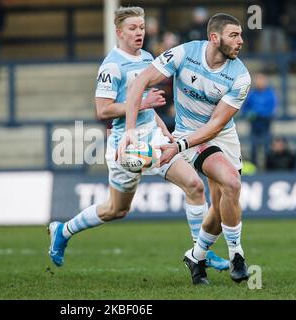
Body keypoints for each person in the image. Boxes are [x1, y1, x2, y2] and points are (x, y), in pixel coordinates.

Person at [48, 6, 228, 272]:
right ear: (119, 32)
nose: (139, 33)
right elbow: (103, 110)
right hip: (126, 143)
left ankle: (200, 252)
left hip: (153, 139)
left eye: (142, 28)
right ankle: (63, 230)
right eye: (132, 28)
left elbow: (146, 102)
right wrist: (145, 104)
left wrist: (161, 127)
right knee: (116, 210)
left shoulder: (147, 58)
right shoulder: (111, 66)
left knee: (195, 186)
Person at [122, 13, 252, 285]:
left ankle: (196, 255)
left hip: (222, 137)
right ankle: (237, 255)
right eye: (234, 35)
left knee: (219, 208)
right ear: (214, 38)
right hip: (191, 136)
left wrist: (178, 146)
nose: (241, 41)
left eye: (241, 35)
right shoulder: (184, 54)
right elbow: (140, 82)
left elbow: (216, 125)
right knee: (232, 181)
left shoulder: (240, 77)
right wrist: (131, 131)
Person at [241, 72, 277, 166]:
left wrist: (257, 113)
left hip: (265, 124)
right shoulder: (252, 94)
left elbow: (271, 109)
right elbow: (245, 108)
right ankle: (254, 167)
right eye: (258, 80)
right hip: (254, 124)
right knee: (254, 147)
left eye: (261, 80)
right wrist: (248, 114)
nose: (259, 82)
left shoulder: (270, 94)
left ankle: (268, 167)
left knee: (267, 147)